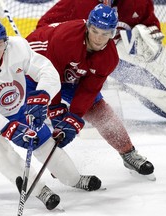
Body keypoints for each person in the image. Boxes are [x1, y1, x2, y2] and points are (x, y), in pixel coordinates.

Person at [0, 18, 102, 211]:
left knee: (42, 143)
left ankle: (73, 178)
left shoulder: (18, 48)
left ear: (6, 42)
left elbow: (46, 70)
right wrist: (8, 128)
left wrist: (43, 94)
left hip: (13, 102)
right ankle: (39, 190)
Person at [26, 3, 155, 180]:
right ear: (88, 26)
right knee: (28, 115)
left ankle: (128, 153)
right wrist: (55, 110)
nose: (98, 38)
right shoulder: (66, 40)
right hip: (35, 68)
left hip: (67, 72)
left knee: (98, 110)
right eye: (95, 31)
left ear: (112, 34)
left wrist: (75, 118)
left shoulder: (110, 58)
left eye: (105, 34)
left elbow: (88, 90)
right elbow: (50, 77)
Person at [36, 0, 166, 125]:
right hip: (79, 60)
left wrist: (152, 39)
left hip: (108, 58)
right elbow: (44, 26)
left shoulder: (137, 2)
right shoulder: (80, 3)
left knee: (131, 64)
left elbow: (151, 25)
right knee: (123, 65)